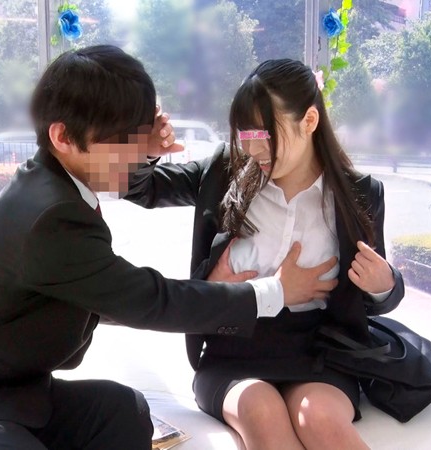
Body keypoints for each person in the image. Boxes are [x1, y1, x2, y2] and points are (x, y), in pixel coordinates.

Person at [0, 46, 327, 450]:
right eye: (124, 141)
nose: (137, 154)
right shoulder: (47, 214)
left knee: (124, 411)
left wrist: (144, 147)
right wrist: (273, 292)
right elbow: (147, 300)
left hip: (14, 390)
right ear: (63, 137)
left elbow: (120, 256)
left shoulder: (57, 183)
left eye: (139, 135)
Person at [125, 59, 405, 449]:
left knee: (319, 417)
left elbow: (372, 296)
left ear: (309, 121)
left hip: (319, 354)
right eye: (246, 134)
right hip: (232, 351)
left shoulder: (359, 194)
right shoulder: (224, 171)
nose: (253, 148)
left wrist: (384, 284)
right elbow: (139, 188)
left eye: (265, 134)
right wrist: (144, 149)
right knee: (261, 408)